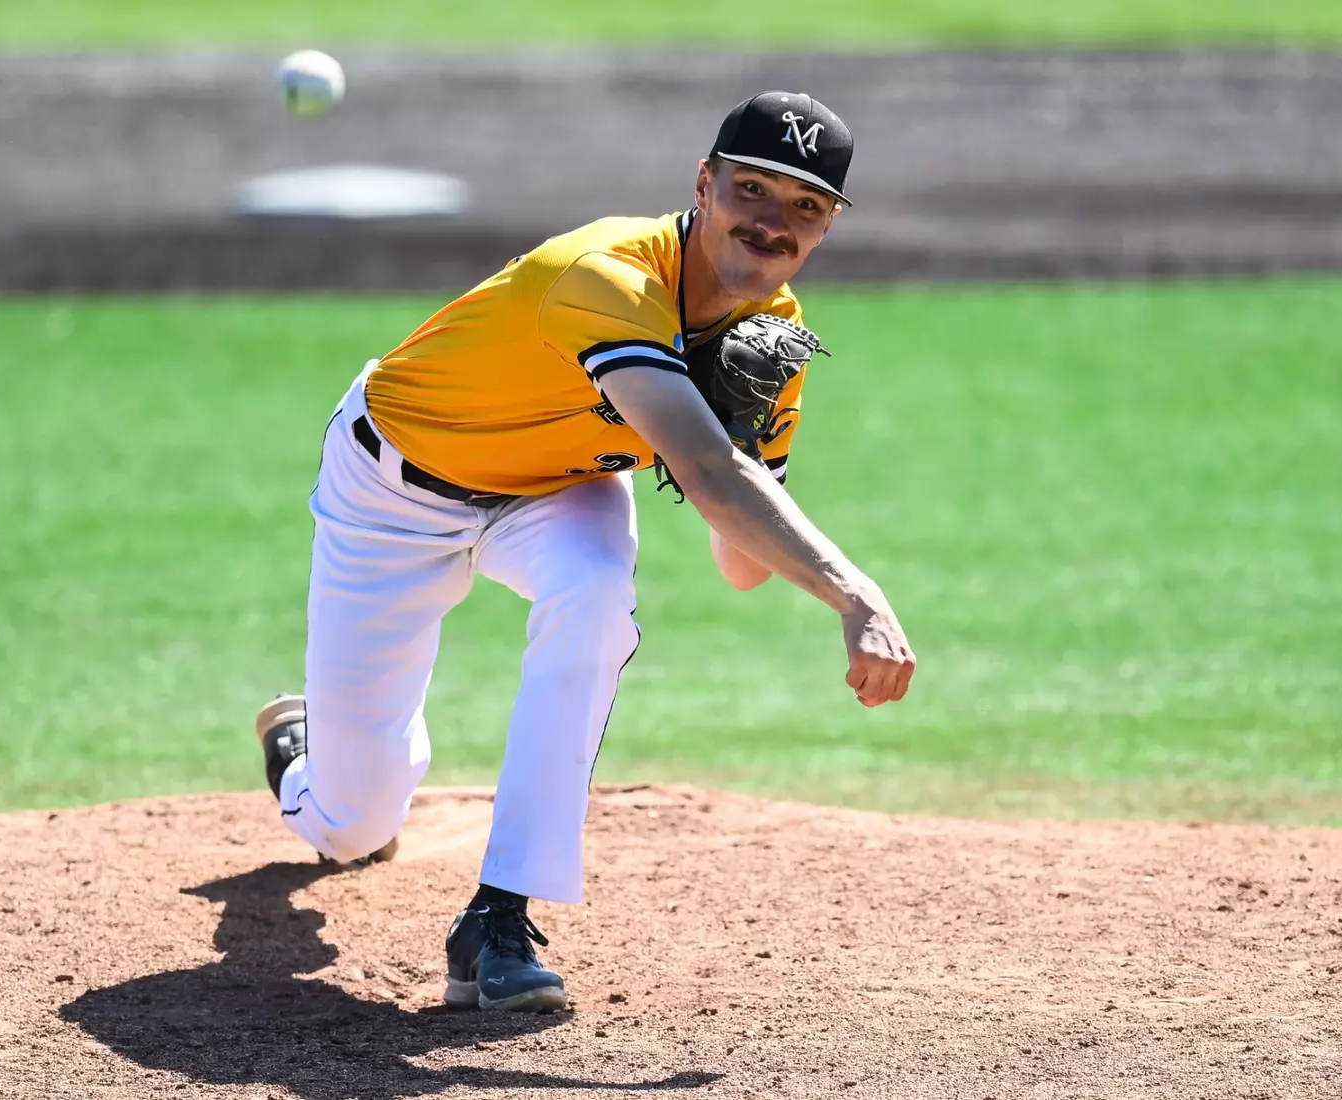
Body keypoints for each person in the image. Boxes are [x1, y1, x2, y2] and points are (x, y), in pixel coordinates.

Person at [253, 91, 917, 1013]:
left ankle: (498, 916)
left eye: (803, 206)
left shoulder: (771, 336)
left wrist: (744, 422)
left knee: (597, 597)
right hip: (392, 492)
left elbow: (738, 561)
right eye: (752, 190)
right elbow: (704, 472)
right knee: (351, 822)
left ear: (827, 226)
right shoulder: (608, 275)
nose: (772, 223)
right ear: (703, 183)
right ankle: (302, 749)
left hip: (557, 490)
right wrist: (855, 595)